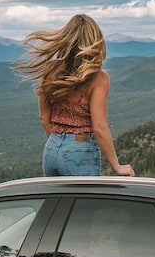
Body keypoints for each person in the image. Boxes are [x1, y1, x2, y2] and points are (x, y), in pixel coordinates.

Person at [15, 14, 135, 177]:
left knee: (58, 202)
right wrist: (117, 166)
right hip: (80, 150)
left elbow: (44, 118)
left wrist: (59, 142)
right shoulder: (98, 78)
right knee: (84, 203)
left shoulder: (49, 70)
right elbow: (99, 127)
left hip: (51, 149)